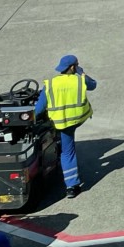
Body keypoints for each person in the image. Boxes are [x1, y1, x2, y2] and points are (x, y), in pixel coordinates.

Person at [36, 54, 96, 199]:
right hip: (76, 120)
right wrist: (82, 73)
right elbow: (93, 85)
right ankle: (72, 187)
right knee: (68, 149)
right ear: (73, 67)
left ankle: (71, 185)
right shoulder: (80, 80)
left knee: (67, 152)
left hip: (59, 123)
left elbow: (39, 109)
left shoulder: (50, 84)